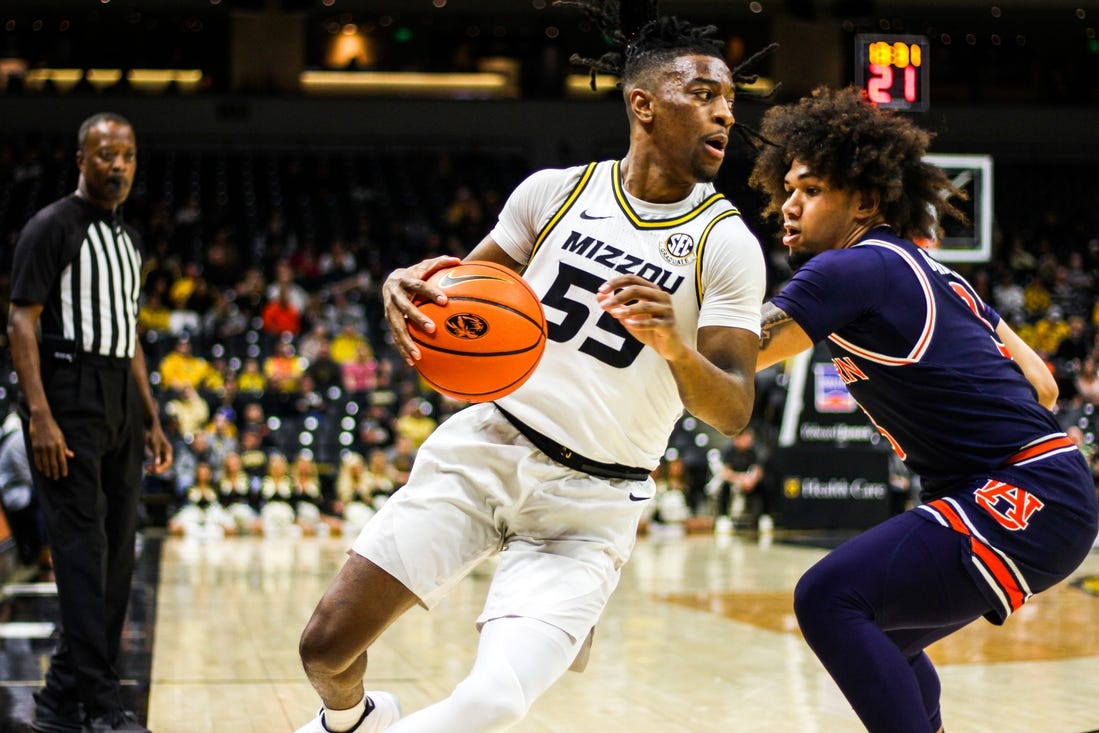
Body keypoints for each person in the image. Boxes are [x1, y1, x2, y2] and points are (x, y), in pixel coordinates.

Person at [293, 7, 768, 733]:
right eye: (702, 93)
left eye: (729, 99)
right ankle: (352, 718)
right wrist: (404, 289)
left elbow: (733, 407)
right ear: (642, 103)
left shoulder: (723, 243)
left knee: (492, 701)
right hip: (488, 444)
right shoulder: (555, 193)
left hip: (591, 502)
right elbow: (449, 300)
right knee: (323, 647)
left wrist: (676, 346)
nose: (724, 113)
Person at [748, 85, 1099, 733]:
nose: (788, 205)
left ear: (864, 199)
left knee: (828, 597)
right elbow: (1043, 384)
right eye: (786, 190)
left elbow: (738, 356)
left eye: (810, 189)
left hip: (1017, 489)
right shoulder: (935, 271)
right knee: (888, 634)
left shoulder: (847, 271)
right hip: (1047, 486)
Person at [7, 112, 173, 733]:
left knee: (115, 557)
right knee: (81, 553)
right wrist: (40, 415)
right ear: (81, 160)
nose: (118, 165)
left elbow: (128, 336)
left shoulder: (127, 244)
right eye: (106, 154)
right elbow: (22, 323)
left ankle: (58, 696)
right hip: (68, 395)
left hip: (120, 402)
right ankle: (101, 705)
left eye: (127, 155)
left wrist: (151, 419)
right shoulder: (51, 227)